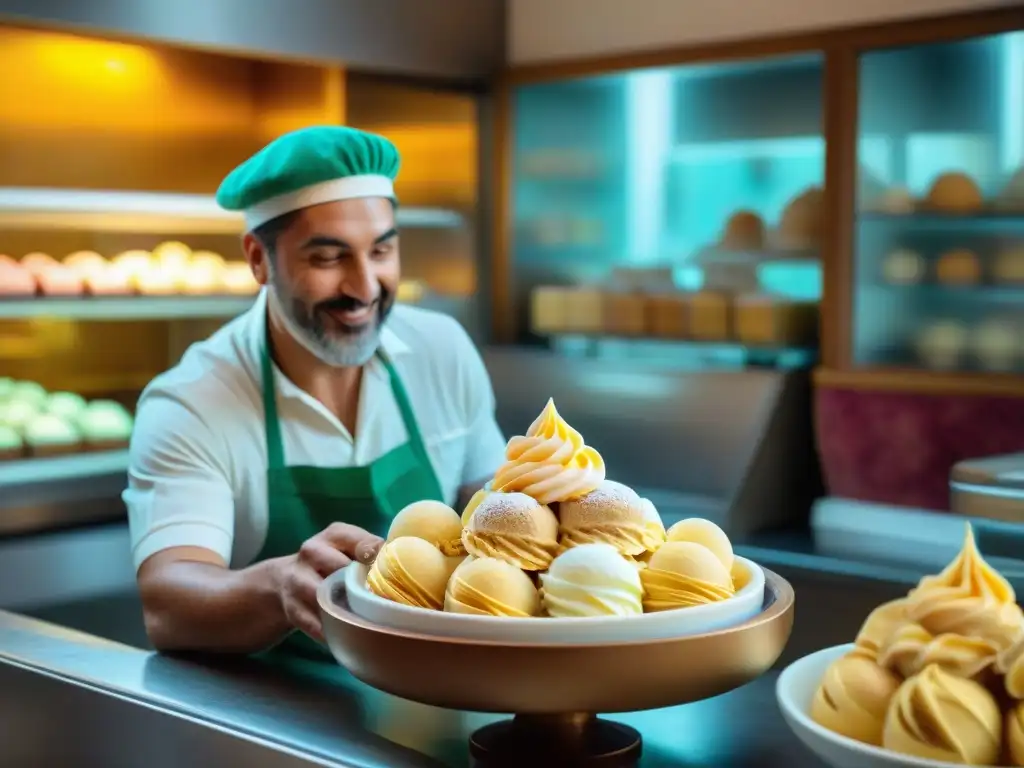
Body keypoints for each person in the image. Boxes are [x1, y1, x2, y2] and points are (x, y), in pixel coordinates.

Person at [125, 126, 506, 659]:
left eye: (381, 250)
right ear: (258, 259)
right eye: (329, 259)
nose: (365, 287)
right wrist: (281, 589)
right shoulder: (193, 402)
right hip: (279, 705)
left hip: (436, 681)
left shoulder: (442, 351)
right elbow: (168, 602)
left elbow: (489, 496)